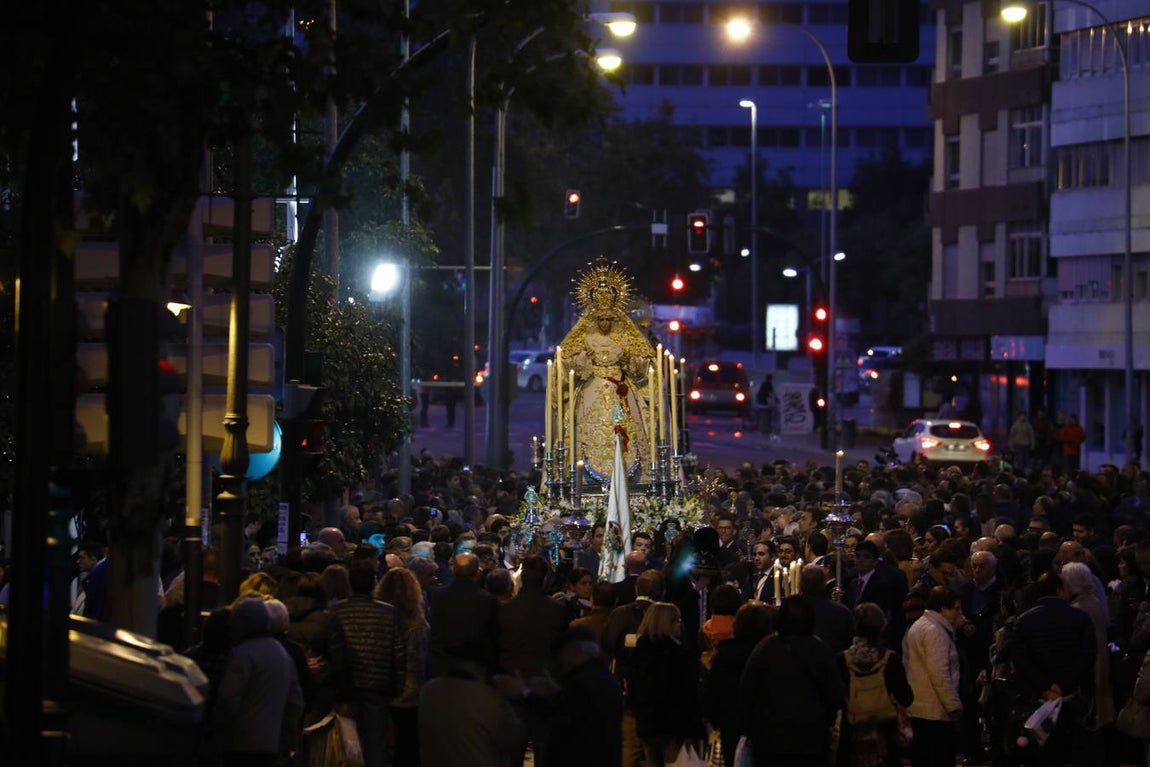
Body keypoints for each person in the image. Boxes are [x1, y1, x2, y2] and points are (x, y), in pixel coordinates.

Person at [560, 258, 655, 482]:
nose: (604, 323)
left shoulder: (625, 334)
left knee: (626, 428)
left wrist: (629, 359)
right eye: (601, 318)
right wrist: (583, 359)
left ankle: (633, 472)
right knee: (588, 430)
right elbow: (566, 363)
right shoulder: (585, 335)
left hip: (620, 389)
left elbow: (643, 367)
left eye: (608, 318)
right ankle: (582, 476)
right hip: (591, 388)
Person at [737, 595, 845, 766]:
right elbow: (835, 695)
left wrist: (749, 730)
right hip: (811, 739)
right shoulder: (820, 650)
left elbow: (747, 692)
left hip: (770, 739)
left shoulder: (765, 649)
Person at [212, 597, 305, 767]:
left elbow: (228, 698)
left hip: (239, 742)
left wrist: (217, 732)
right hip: (271, 743)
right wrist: (287, 737)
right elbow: (295, 702)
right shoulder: (282, 654)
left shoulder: (243, 654)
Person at [627, 601, 708, 767]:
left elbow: (633, 687)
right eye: (677, 620)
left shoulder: (639, 652)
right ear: (667, 623)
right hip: (675, 726)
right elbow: (689, 693)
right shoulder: (679, 654)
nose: (680, 624)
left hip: (648, 723)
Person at [902, 586, 964, 767]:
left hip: (920, 707)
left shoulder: (921, 625)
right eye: (956, 608)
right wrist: (953, 705)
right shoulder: (935, 632)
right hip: (935, 710)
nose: (959, 613)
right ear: (943, 609)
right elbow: (939, 673)